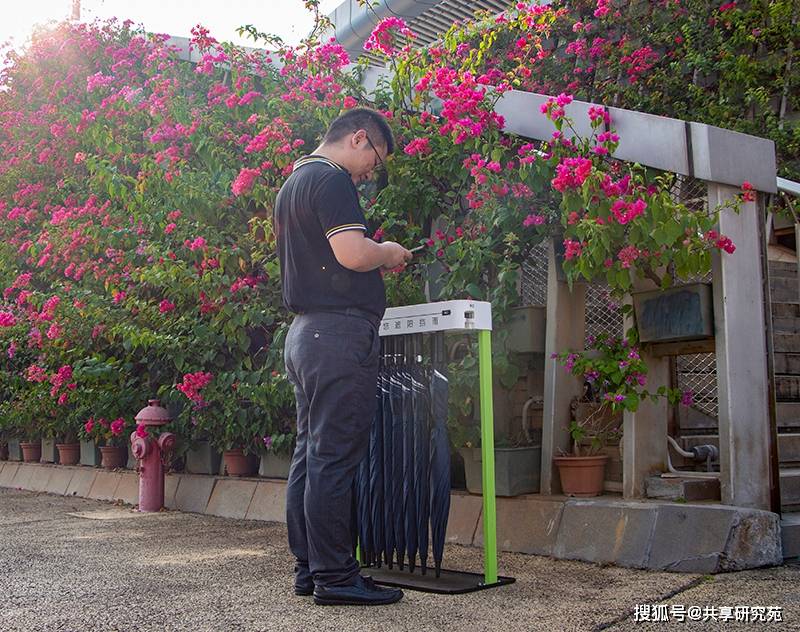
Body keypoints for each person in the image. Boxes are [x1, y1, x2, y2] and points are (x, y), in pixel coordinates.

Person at [273, 107, 412, 606]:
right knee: (332, 458)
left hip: (305, 334)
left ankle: (310, 568)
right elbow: (353, 253)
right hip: (337, 335)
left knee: (310, 456)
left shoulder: (294, 182)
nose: (370, 172)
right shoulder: (331, 180)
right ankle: (335, 577)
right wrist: (389, 251)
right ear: (359, 139)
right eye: (375, 159)